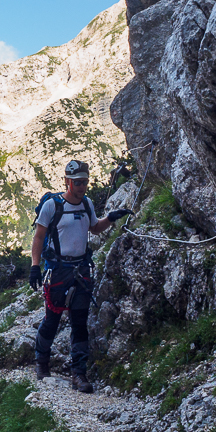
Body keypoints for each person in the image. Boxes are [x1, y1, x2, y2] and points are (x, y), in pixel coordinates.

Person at [30, 160, 131, 392]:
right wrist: (35, 266)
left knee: (79, 322)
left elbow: (94, 228)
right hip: (58, 271)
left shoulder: (86, 203)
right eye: (77, 182)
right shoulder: (52, 207)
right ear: (67, 181)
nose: (82, 186)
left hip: (81, 270)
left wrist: (112, 217)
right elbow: (38, 237)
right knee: (52, 320)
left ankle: (79, 374)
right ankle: (41, 363)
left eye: (84, 182)